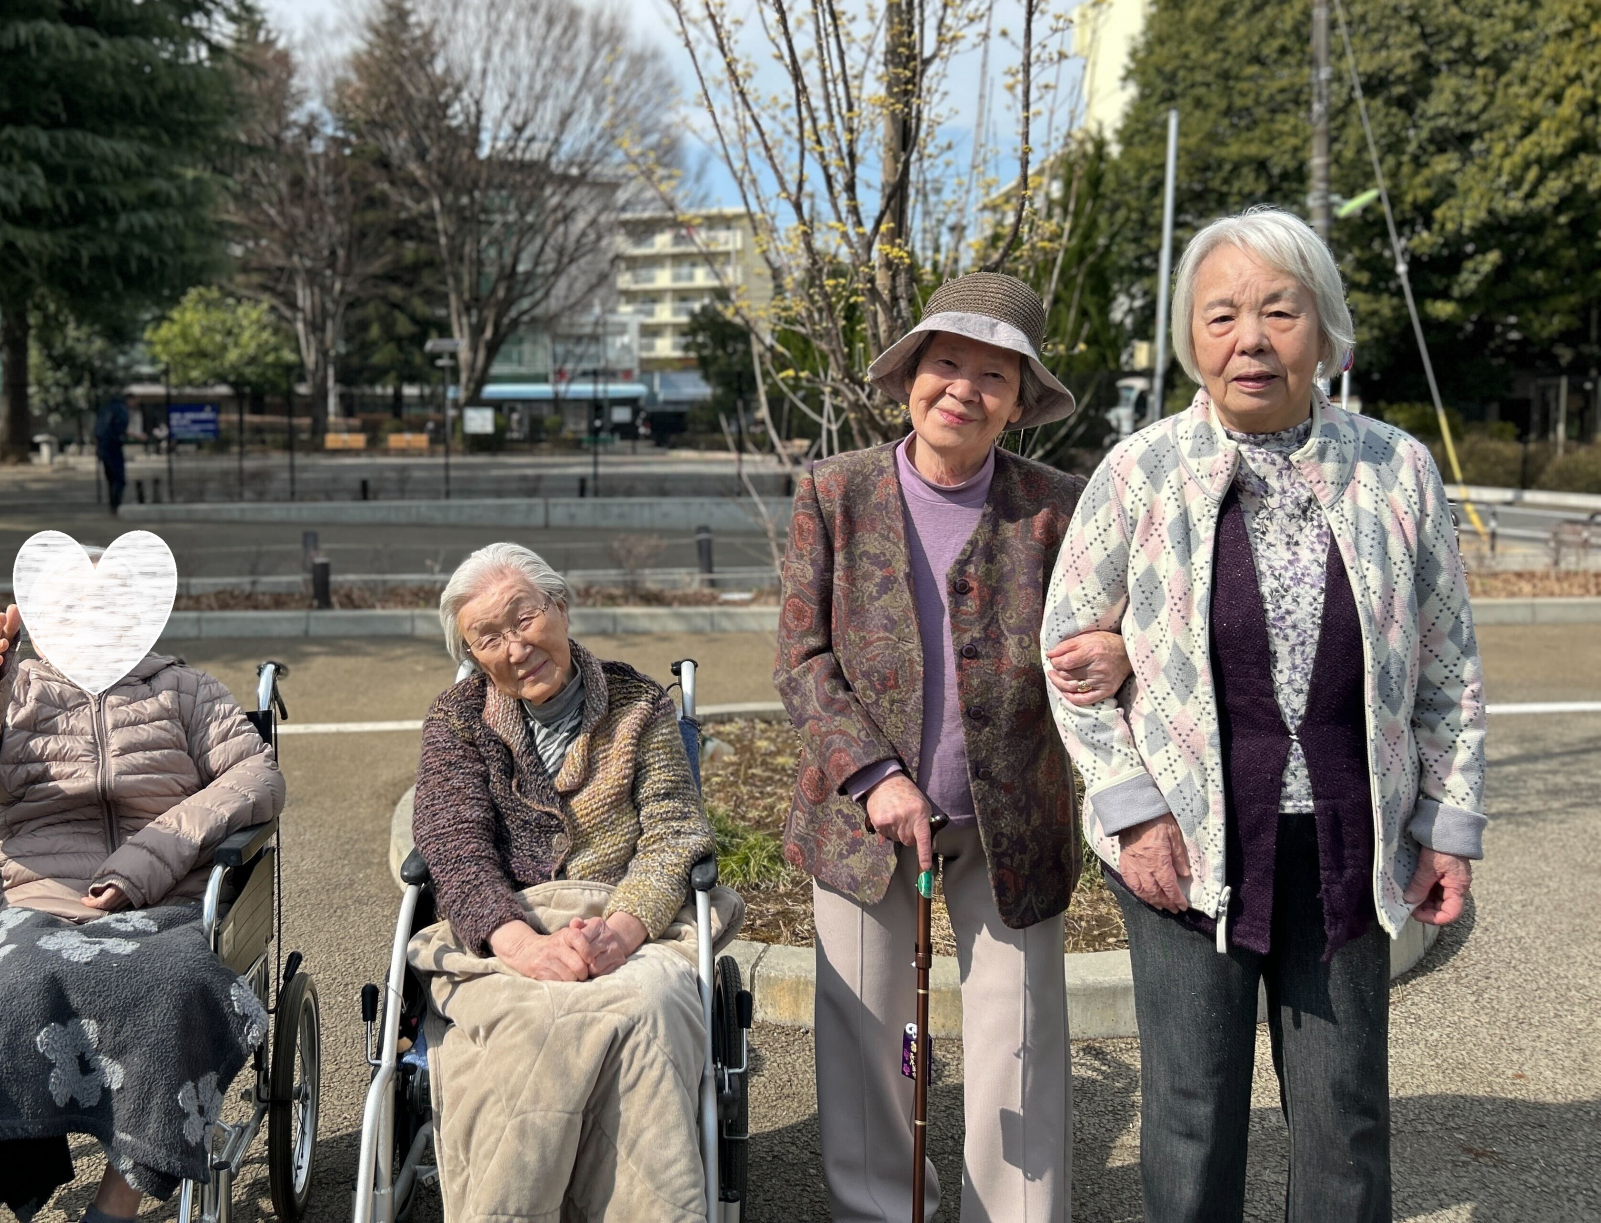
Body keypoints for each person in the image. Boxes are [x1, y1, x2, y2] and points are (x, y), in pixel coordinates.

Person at [1042, 207, 1487, 1223]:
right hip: (1182, 837)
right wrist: (1132, 810)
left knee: (1344, 1111)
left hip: (1348, 832)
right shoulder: (1143, 470)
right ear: (1191, 337)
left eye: (1280, 312)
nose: (1251, 339)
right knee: (1191, 1111)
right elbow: (1068, 651)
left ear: (1324, 330)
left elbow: (1447, 663)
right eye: (1222, 315)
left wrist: (1445, 828)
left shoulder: (1395, 469)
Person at [775, 272, 1134, 1223]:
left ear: (1020, 401)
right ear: (910, 377)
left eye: (993, 375)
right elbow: (802, 658)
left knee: (1018, 1036)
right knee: (868, 1038)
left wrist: (1121, 649)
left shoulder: (1059, 505)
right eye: (946, 364)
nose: (963, 390)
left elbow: (1130, 622)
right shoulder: (835, 491)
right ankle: (881, 1211)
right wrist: (875, 777)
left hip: (1011, 820)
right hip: (863, 821)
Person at [0, 597, 285, 1223]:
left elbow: (257, 777)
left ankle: (115, 1205)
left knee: (173, 984)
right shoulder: (13, 692)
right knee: (10, 986)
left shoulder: (187, 691)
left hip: (163, 901)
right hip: (34, 901)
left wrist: (147, 859)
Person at [409, 542, 725, 1221]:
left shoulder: (638, 705)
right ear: (473, 655)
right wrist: (524, 946)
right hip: (503, 935)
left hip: (631, 925)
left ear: (560, 605)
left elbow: (674, 833)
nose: (515, 647)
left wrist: (619, 932)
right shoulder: (457, 721)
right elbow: (455, 848)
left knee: (649, 1004)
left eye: (523, 618)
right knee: (533, 1024)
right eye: (488, 638)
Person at [94, 391, 132, 514]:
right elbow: (120, 428)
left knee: (111, 478)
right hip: (113, 446)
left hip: (104, 446)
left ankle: (113, 505)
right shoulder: (120, 410)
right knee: (119, 479)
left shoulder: (106, 409)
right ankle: (116, 505)